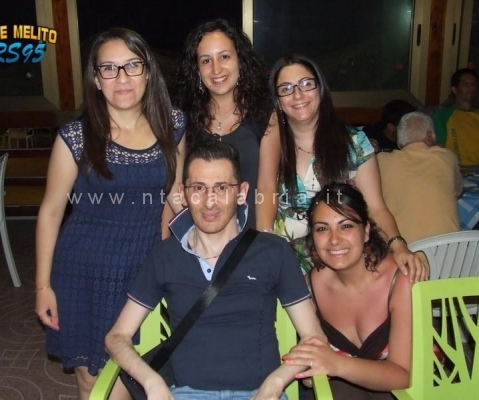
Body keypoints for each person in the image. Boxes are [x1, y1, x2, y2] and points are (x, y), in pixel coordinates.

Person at [106, 141, 326, 400]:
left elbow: (314, 337)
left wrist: (276, 382)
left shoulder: (273, 251)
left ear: (242, 193)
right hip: (185, 394)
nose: (209, 202)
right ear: (183, 194)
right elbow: (116, 337)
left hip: (260, 393)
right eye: (198, 188)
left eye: (222, 188)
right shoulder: (165, 256)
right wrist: (150, 380)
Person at [34, 28, 186, 399]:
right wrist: (42, 286)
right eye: (109, 68)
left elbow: (175, 196)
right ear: (96, 79)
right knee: (93, 376)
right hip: (85, 269)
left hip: (147, 264)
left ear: (147, 72)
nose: (122, 77)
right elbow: (51, 212)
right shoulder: (76, 137)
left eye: (132, 65)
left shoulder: (173, 124)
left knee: (149, 367)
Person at [269, 53, 426, 279]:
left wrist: (399, 245)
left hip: (340, 263)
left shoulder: (354, 143)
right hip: (285, 268)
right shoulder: (270, 147)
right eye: (286, 88)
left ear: (320, 89)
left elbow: (375, 207)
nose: (297, 94)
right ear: (277, 100)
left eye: (306, 84)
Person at [283, 183, 413, 399]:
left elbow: (403, 375)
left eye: (346, 226)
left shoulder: (400, 280)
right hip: (345, 388)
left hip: (406, 390)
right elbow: (307, 365)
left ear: (366, 231)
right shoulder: (309, 288)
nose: (334, 239)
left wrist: (335, 363)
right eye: (322, 229)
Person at [171, 19, 280, 231]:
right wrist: (191, 234)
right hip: (197, 234)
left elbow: (267, 187)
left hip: (248, 237)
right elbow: (174, 185)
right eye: (206, 60)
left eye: (224, 57)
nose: (216, 69)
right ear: (196, 69)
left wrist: (264, 241)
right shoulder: (181, 117)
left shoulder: (266, 115)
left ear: (240, 60)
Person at [378, 111, 463, 243]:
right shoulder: (447, 157)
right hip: (449, 251)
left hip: (403, 250)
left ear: (399, 142)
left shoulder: (381, 161)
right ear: (429, 137)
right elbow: (458, 191)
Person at [432, 68, 479, 165]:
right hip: (454, 168)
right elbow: (438, 147)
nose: (470, 87)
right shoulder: (442, 115)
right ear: (454, 89)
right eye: (465, 84)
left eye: (473, 84)